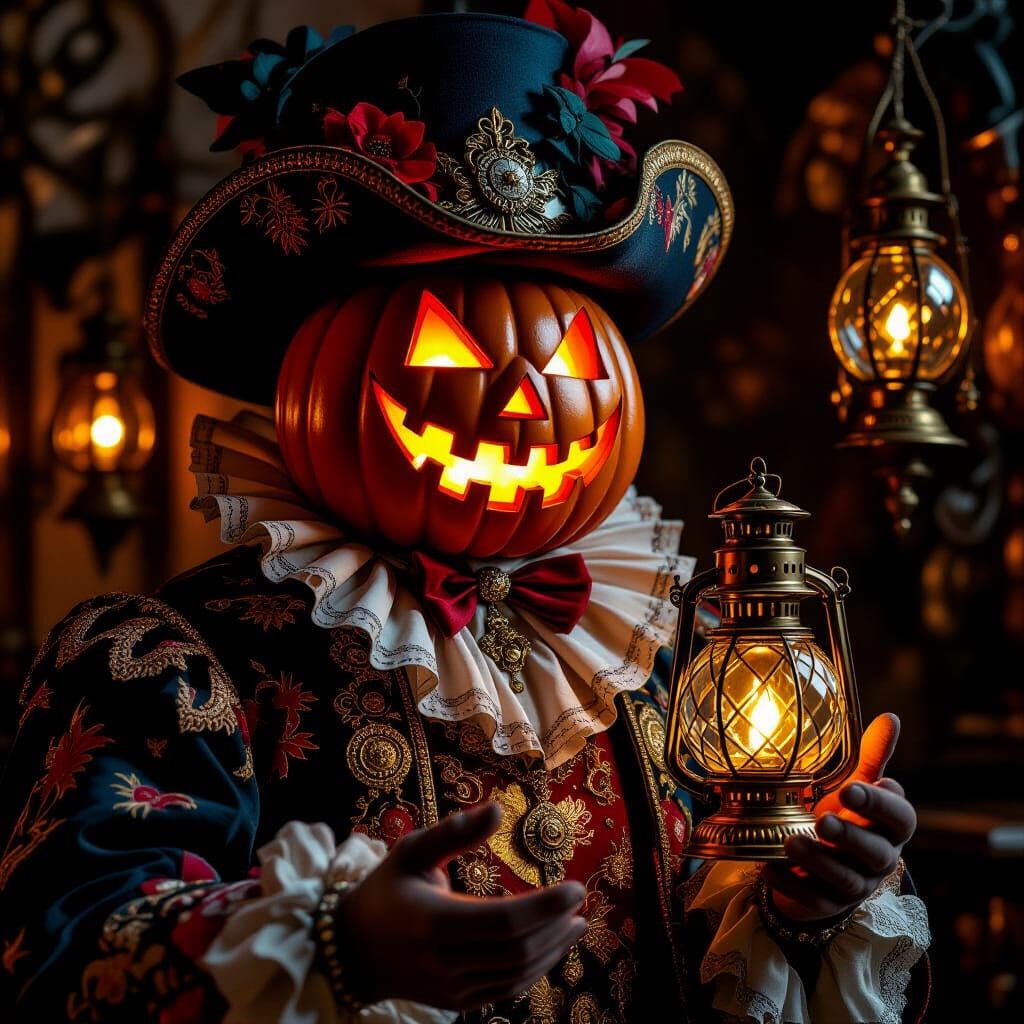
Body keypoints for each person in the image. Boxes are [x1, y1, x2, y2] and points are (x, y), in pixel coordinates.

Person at [0, 3, 929, 1021]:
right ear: (317, 361)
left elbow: (722, 955)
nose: (525, 403)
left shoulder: (676, 657)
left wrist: (807, 901)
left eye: (569, 355)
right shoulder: (167, 664)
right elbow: (66, 949)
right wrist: (337, 945)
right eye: (448, 352)